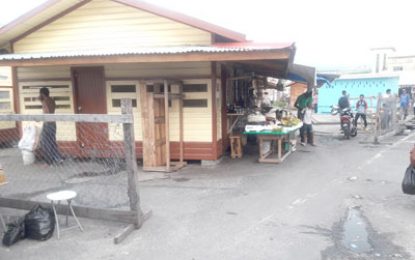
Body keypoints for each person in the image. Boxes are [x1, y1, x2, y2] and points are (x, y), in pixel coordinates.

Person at [39, 87, 62, 165]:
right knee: (52, 142)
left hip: (47, 123)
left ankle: (49, 161)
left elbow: (47, 112)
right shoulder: (52, 100)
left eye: (40, 94)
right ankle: (57, 158)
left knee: (45, 142)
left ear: (42, 94)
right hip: (53, 123)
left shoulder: (45, 102)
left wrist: (40, 118)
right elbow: (51, 110)